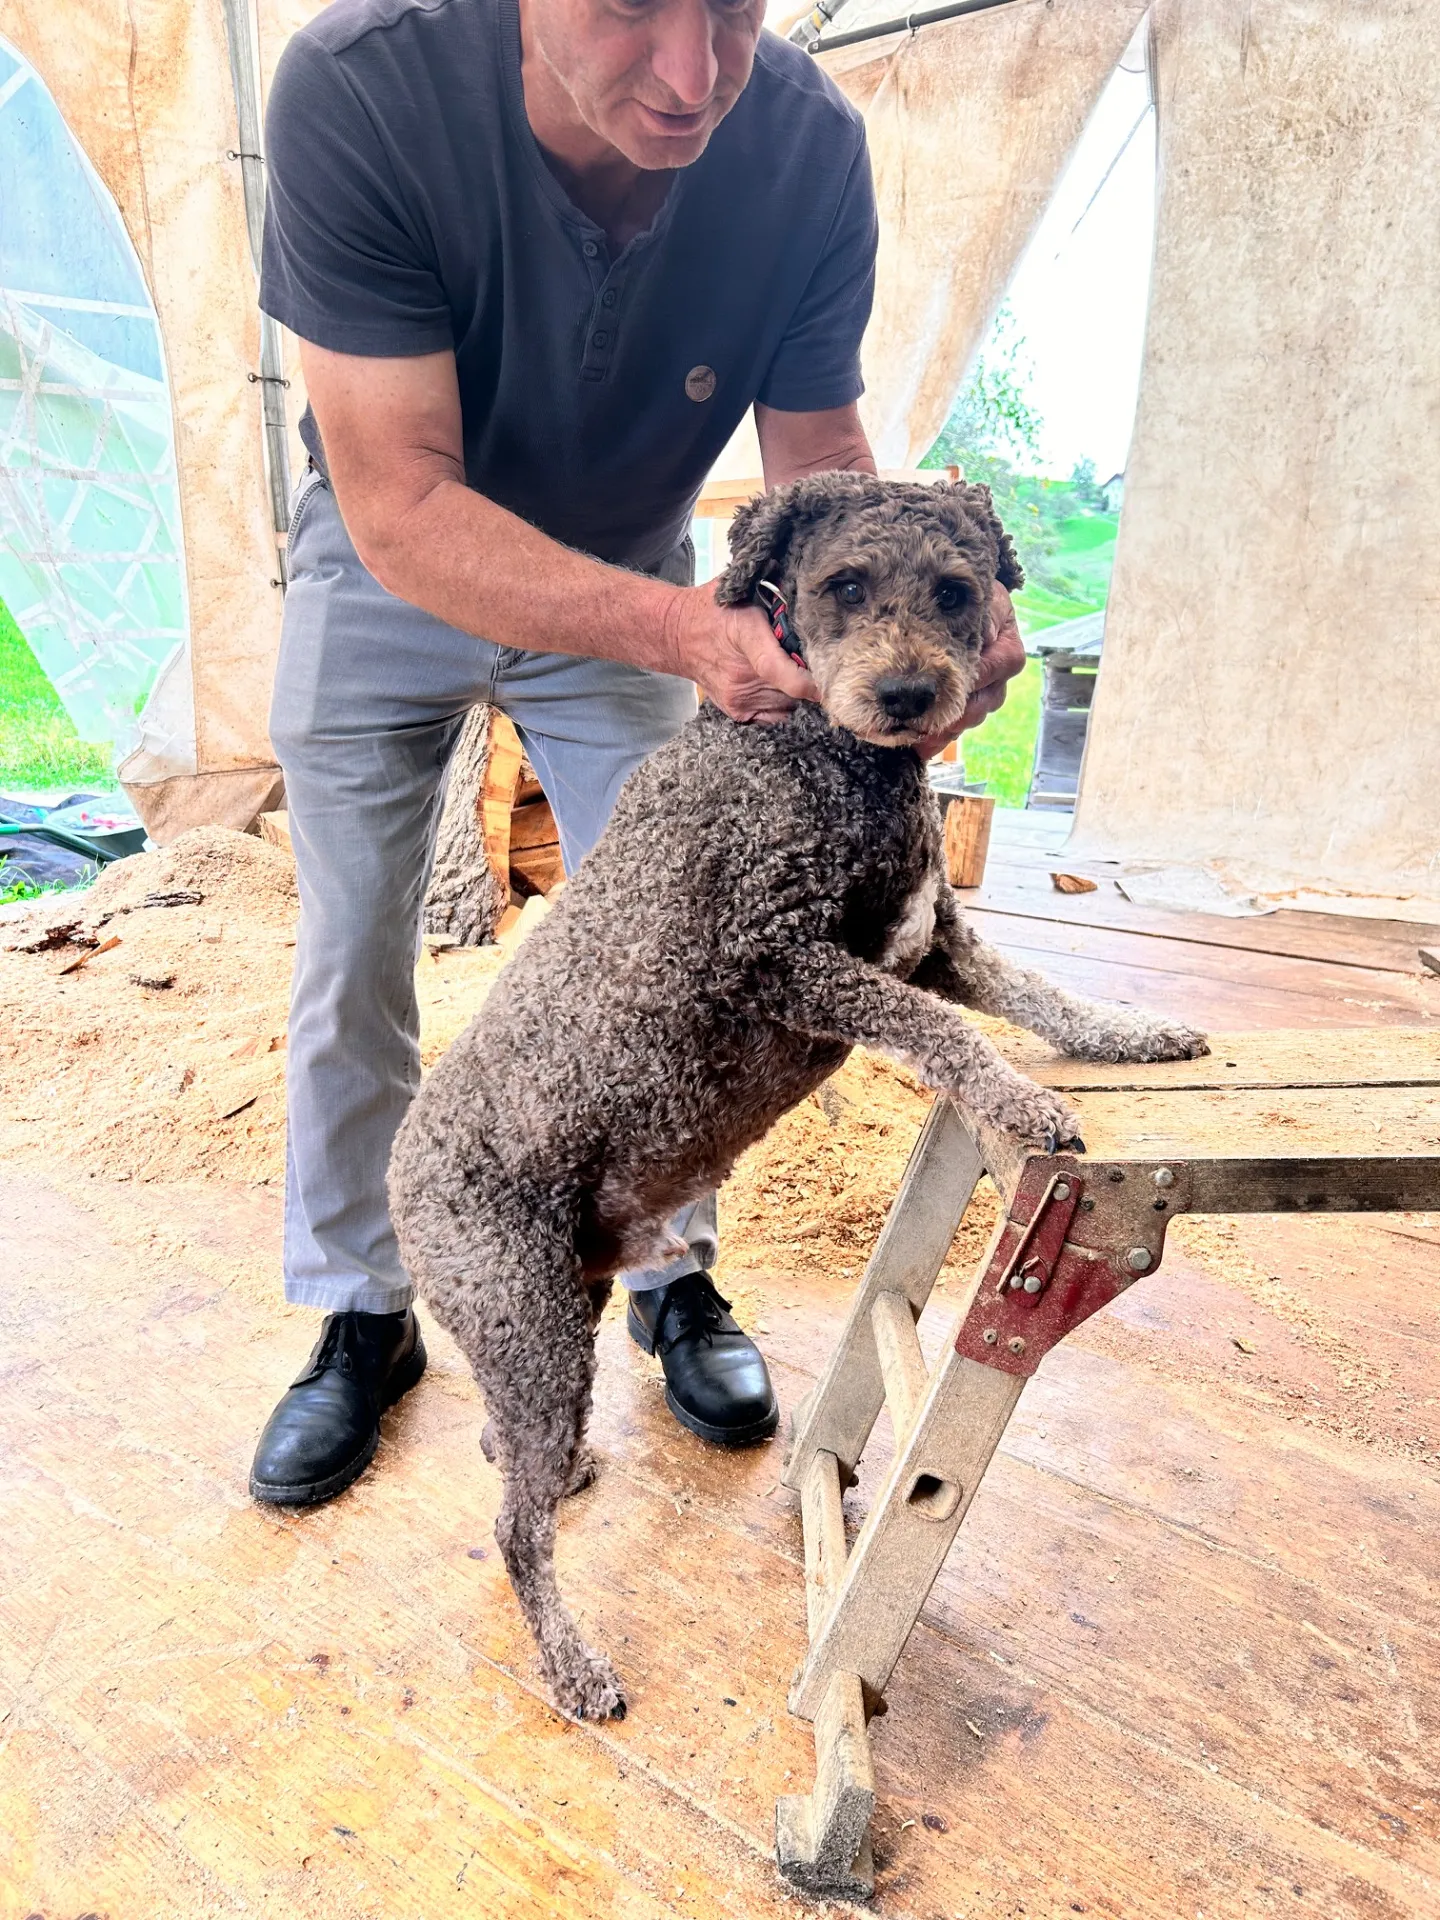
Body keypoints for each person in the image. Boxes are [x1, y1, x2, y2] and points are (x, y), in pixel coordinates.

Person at [249, 0, 1026, 1507]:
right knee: (354, 949)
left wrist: (921, 623)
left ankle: (669, 1275)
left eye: (732, 10)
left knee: (698, 936)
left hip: (650, 575)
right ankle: (365, 1309)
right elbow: (403, 501)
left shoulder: (802, 147)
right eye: (627, 9)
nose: (694, 77)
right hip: (387, 562)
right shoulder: (359, 87)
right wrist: (682, 635)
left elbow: (823, 470)